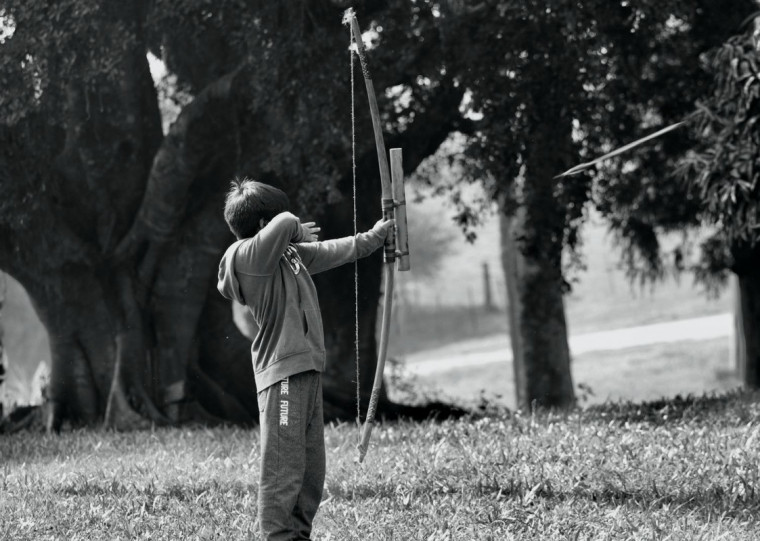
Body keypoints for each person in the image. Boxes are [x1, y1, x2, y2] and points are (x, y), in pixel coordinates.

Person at [217, 178, 393, 540]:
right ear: (263, 224)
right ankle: (277, 536)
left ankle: (298, 534)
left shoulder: (286, 256)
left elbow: (333, 250)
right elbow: (284, 224)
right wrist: (292, 226)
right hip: (282, 374)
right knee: (282, 465)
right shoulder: (248, 257)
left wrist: (375, 237)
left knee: (311, 468)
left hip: (306, 369)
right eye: (278, 214)